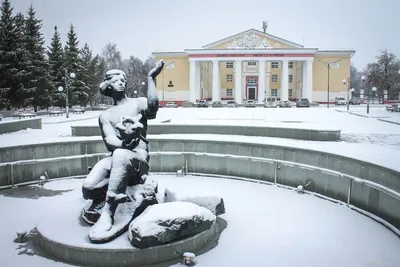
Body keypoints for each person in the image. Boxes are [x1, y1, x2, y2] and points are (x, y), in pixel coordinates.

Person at [81, 60, 164, 231]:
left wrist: (151, 78)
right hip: (116, 157)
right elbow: (110, 141)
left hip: (139, 157)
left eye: (123, 80)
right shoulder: (105, 115)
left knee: (120, 154)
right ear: (108, 86)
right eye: (116, 81)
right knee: (88, 188)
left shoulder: (138, 103)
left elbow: (153, 108)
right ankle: (116, 187)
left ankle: (108, 211)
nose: (121, 82)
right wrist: (125, 141)